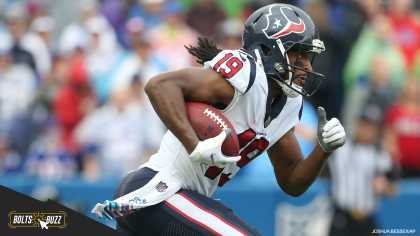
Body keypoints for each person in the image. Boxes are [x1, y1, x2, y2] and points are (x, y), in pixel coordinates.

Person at [93, 4, 346, 235]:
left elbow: (291, 181)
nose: (307, 67)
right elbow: (159, 85)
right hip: (159, 190)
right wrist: (195, 146)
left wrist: (322, 150)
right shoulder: (245, 76)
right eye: (298, 55)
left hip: (182, 199)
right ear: (268, 50)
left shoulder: (288, 104)